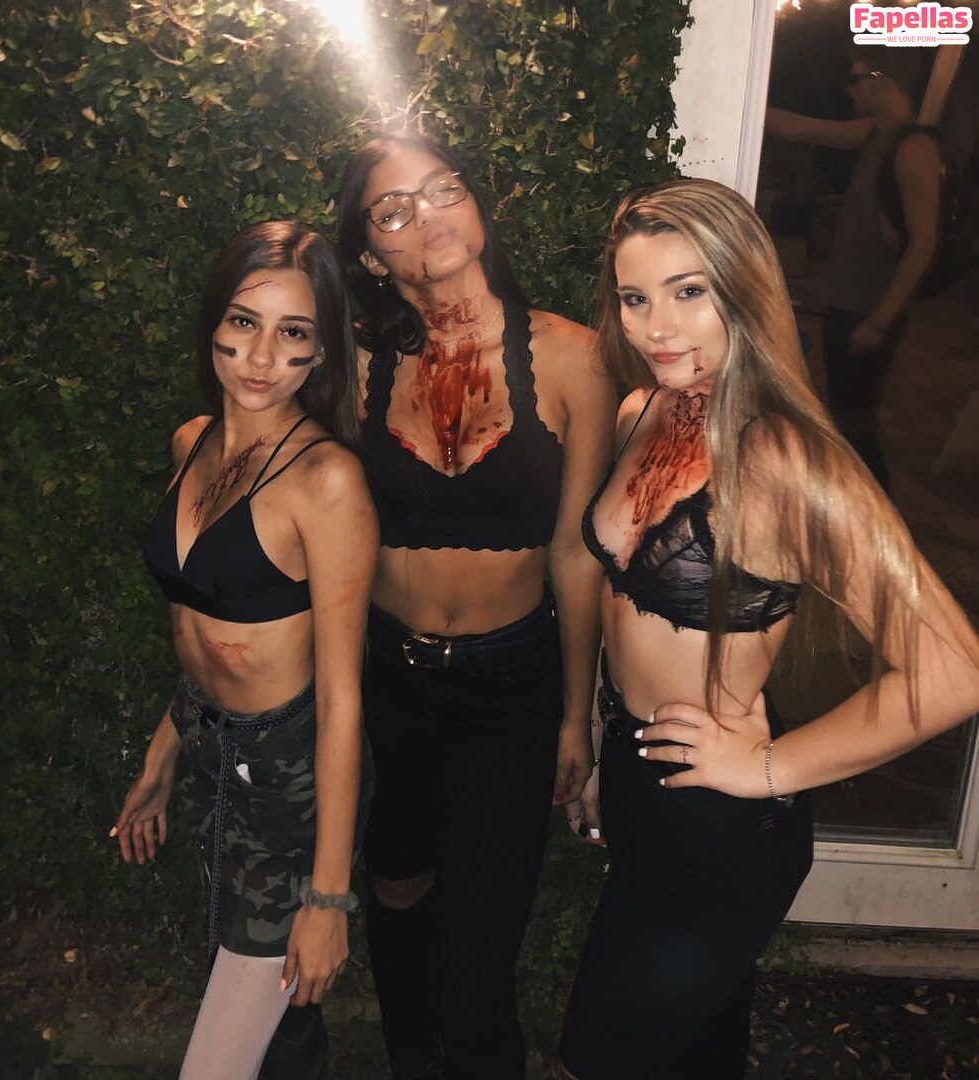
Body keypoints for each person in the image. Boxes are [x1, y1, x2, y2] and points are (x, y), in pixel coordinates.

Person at [559, 178, 979, 1080]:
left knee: (599, 1052)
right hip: (642, 775)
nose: (657, 327)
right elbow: (619, 612)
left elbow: (953, 671)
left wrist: (766, 769)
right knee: (696, 1048)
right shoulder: (647, 410)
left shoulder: (785, 458)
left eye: (688, 291)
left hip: (722, 821)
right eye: (635, 297)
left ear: (743, 288)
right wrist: (602, 748)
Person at [336, 133, 617, 1079]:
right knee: (396, 886)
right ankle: (412, 1057)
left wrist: (576, 715)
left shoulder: (573, 358)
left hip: (511, 688)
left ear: (475, 202)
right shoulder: (356, 366)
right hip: (388, 677)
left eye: (442, 188)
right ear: (371, 255)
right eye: (393, 210)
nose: (428, 215)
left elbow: (575, 554)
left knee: (480, 941)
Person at [110, 221, 378, 1080]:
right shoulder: (191, 442)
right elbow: (195, 632)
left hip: (290, 781)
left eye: (293, 331)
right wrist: (161, 756)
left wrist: (328, 896)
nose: (261, 356)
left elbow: (341, 700)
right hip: (208, 753)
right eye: (243, 322)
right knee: (276, 1022)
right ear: (213, 325)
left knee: (223, 1054)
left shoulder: (326, 482)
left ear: (322, 349)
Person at [764, 50, 942, 489]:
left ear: (884, 80)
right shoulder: (874, 134)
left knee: (855, 425)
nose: (849, 89)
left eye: (857, 79)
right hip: (848, 302)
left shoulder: (914, 147)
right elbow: (802, 128)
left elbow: (924, 244)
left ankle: (877, 513)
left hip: (868, 308)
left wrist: (879, 321)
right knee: (845, 417)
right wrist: (741, 102)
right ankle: (858, 508)